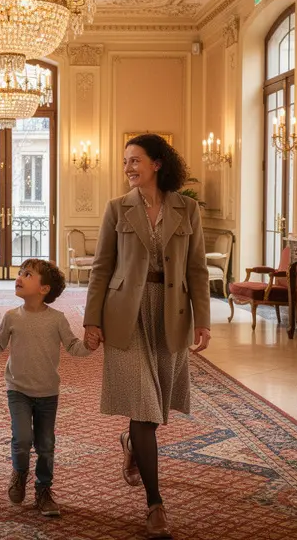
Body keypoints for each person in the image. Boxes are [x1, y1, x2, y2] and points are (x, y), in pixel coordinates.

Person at [83, 133, 211, 539]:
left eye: (135, 160)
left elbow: (197, 270)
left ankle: (130, 443)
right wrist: (91, 320)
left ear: (157, 163)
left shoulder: (187, 209)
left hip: (171, 313)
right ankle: (155, 504)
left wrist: (203, 320)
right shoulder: (116, 208)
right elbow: (101, 268)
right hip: (126, 314)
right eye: (125, 162)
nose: (128, 168)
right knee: (144, 408)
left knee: (154, 412)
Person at [0, 259, 94, 517]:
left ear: (44, 289)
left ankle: (44, 489)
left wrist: (89, 346)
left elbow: (73, 347)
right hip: (18, 390)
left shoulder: (57, 319)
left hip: (48, 392)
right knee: (22, 438)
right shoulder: (12, 317)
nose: (19, 278)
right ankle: (20, 472)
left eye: (27, 274)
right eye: (20, 273)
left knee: (46, 444)